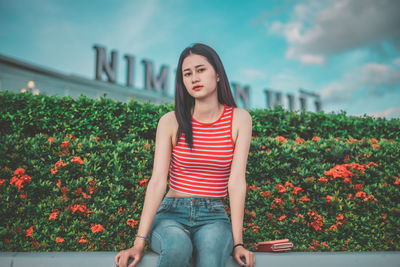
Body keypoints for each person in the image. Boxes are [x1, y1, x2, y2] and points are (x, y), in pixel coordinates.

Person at [114, 43, 255, 267]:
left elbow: (237, 182)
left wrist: (238, 243)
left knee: (211, 251)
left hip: (214, 216)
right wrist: (138, 242)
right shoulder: (171, 121)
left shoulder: (239, 119)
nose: (194, 78)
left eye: (201, 70)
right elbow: (158, 181)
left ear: (218, 74)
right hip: (171, 213)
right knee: (178, 248)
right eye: (187, 74)